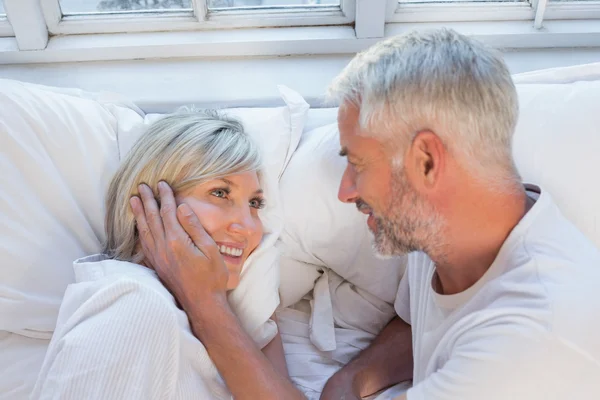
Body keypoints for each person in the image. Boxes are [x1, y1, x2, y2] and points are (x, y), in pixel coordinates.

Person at [320, 28, 600, 399]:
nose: (345, 192)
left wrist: (216, 312)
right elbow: (416, 324)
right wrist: (349, 381)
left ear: (427, 162)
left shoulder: (535, 339)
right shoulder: (444, 229)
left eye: (356, 164)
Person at [31, 111, 302, 399]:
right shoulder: (132, 305)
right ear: (155, 206)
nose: (248, 228)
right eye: (220, 193)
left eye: (255, 203)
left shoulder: (198, 313)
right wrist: (207, 303)